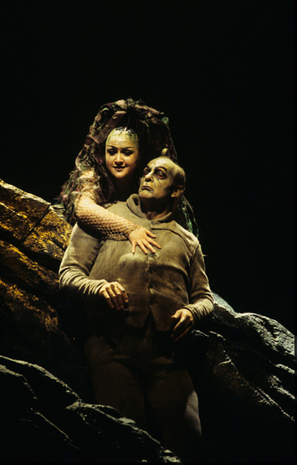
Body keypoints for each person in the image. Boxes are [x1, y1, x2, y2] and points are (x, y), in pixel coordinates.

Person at [59, 153, 214, 461]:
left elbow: (205, 297)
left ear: (177, 190)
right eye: (146, 171)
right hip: (113, 347)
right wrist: (99, 287)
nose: (147, 176)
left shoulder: (187, 240)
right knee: (126, 440)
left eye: (159, 174)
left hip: (168, 357)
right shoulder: (106, 217)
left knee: (188, 442)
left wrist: (192, 312)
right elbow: (68, 274)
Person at [58, 98, 199, 255]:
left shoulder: (147, 178)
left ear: (138, 156)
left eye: (127, 152)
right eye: (112, 152)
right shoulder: (94, 174)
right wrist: (130, 228)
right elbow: (82, 208)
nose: (118, 160)